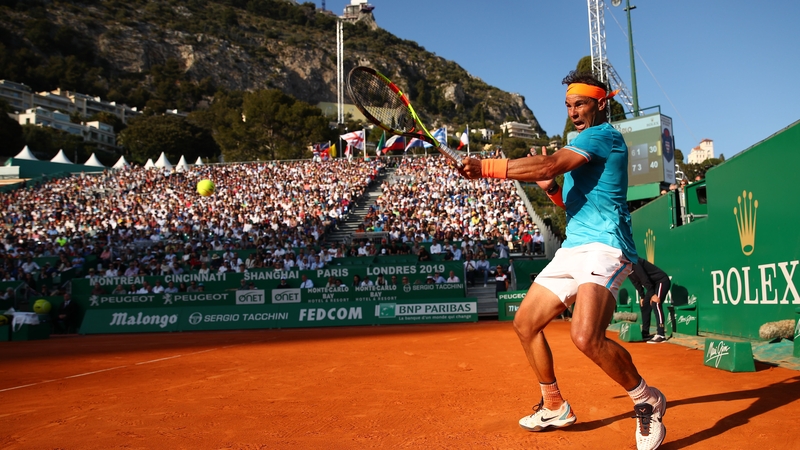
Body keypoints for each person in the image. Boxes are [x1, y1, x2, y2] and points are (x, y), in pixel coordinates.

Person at [460, 70, 666, 450]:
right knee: (525, 324)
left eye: (581, 103)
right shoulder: (579, 147)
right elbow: (567, 200)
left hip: (606, 247)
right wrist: (552, 189)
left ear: (601, 104)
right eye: (569, 105)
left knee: (586, 337)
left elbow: (549, 164)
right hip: (573, 248)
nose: (573, 111)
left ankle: (646, 399)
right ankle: (553, 404)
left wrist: (488, 168)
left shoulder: (602, 136)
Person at [628, 259, 671, 344]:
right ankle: (645, 333)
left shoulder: (634, 262)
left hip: (661, 281)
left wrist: (652, 294)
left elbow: (644, 278)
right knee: (644, 304)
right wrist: (642, 296)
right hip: (653, 285)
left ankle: (661, 334)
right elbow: (635, 282)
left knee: (656, 303)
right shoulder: (625, 267)